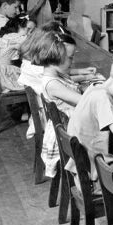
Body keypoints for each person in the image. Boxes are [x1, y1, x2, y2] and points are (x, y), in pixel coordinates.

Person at [34, 29, 85, 178]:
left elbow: (69, 81)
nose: (72, 61)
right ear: (56, 57)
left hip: (69, 127)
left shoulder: (54, 75)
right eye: (70, 58)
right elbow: (83, 101)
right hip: (70, 133)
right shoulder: (52, 84)